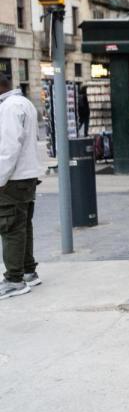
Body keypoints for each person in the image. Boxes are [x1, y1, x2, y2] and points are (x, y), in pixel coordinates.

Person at [0, 74, 44, 299]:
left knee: (11, 228)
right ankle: (28, 271)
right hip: (26, 176)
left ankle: (14, 280)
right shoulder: (24, 103)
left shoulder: (9, 107)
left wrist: (0, 179)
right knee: (23, 225)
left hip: (13, 178)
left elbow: (8, 148)